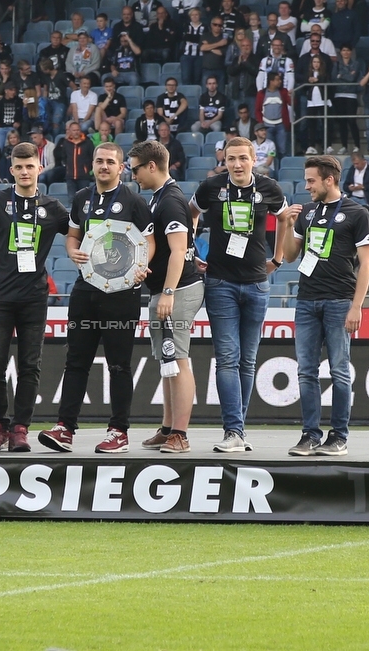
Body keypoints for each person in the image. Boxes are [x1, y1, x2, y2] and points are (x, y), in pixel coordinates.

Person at [37, 142, 154, 455]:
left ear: (120, 168)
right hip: (86, 289)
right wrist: (71, 250)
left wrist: (142, 266)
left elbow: (150, 240)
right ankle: (65, 429)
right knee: (76, 361)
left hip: (122, 294)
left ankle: (119, 431)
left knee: (118, 365)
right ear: (92, 165)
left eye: (110, 162)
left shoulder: (134, 200)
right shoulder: (81, 198)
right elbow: (72, 235)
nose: (104, 166)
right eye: (99, 161)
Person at [0, 141, 70, 452]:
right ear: (11, 171)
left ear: (39, 168)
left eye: (29, 166)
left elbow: (77, 231)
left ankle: (20, 428)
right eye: (19, 167)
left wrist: (77, 252)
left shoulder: (52, 208)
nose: (24, 171)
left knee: (29, 366)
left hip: (34, 298)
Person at [189, 136, 287, 452]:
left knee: (248, 361)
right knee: (228, 359)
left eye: (243, 158)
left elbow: (285, 217)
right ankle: (233, 431)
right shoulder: (211, 187)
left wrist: (278, 258)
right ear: (224, 160)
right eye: (231, 159)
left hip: (258, 284)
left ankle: (238, 431)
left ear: (253, 157)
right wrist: (191, 250)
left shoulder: (269, 187)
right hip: (220, 284)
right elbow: (191, 212)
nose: (237, 164)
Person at [277, 155, 369, 456]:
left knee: (340, 371)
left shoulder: (357, 212)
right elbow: (291, 256)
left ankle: (339, 437)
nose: (306, 186)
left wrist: (357, 307)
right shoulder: (305, 212)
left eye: (311, 181)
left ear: (329, 180)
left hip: (339, 301)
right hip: (306, 300)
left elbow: (367, 263)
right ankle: (310, 435)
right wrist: (288, 224)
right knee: (306, 371)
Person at [123, 139, 204, 453]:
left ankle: (179, 434)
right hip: (166, 289)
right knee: (168, 361)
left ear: (152, 165)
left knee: (179, 360)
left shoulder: (169, 200)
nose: (134, 176)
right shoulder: (159, 198)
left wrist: (168, 292)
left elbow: (179, 249)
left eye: (136, 170)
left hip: (178, 290)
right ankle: (168, 427)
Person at [254, 72, 290, 158]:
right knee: (270, 151)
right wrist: (262, 123)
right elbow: (257, 110)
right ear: (271, 81)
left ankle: (282, 170)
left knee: (283, 150)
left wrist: (291, 95)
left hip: (281, 125)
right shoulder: (261, 94)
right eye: (277, 79)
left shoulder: (283, 92)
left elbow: (292, 103)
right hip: (267, 127)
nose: (280, 81)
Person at [60, 121, 94, 200]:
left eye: (77, 130)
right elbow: (63, 157)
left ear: (80, 130)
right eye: (74, 130)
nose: (76, 132)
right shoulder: (66, 143)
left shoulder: (87, 142)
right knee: (72, 200)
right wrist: (67, 168)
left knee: (85, 199)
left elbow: (92, 157)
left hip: (84, 176)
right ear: (70, 131)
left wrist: (87, 169)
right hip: (70, 177)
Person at [179, 8, 205, 86]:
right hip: (187, 55)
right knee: (186, 78)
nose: (194, 16)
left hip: (199, 56)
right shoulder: (186, 25)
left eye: (196, 14)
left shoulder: (205, 27)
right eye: (192, 15)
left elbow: (204, 40)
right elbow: (185, 37)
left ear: (200, 15)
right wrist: (198, 38)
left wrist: (191, 37)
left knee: (197, 78)